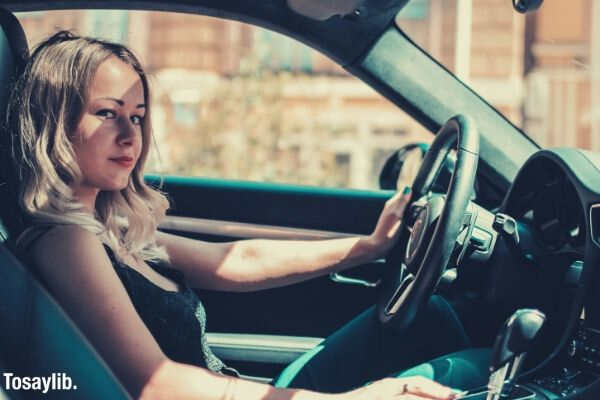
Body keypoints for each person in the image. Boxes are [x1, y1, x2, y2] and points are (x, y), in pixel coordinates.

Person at [6, 30, 486, 400]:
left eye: (137, 115)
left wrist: (369, 247)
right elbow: (157, 386)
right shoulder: (63, 240)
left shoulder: (112, 227)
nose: (131, 135)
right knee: (470, 372)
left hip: (227, 386)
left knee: (434, 319)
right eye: (107, 113)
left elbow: (233, 261)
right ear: (55, 124)